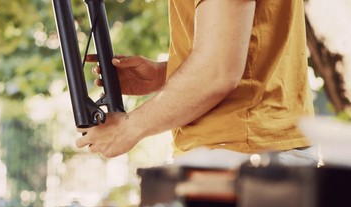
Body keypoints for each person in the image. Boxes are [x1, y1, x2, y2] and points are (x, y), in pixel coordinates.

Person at [76, 0, 317, 165]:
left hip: (241, 155)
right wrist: (163, 75)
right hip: (246, 148)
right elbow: (242, 49)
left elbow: (217, 72)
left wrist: (129, 128)